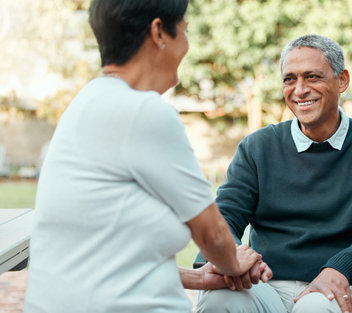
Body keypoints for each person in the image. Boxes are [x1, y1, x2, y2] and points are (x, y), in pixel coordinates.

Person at [23, 1, 264, 312]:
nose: (187, 46)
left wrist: (200, 278)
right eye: (185, 32)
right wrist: (235, 263)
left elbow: (104, 252)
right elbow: (213, 234)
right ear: (159, 32)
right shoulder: (143, 112)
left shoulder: (87, 101)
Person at [195, 34, 352, 313]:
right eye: (290, 79)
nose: (300, 90)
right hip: (267, 285)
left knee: (316, 309)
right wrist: (233, 253)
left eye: (312, 77)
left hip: (343, 285)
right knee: (218, 300)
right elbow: (224, 217)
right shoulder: (257, 147)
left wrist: (341, 267)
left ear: (342, 80)